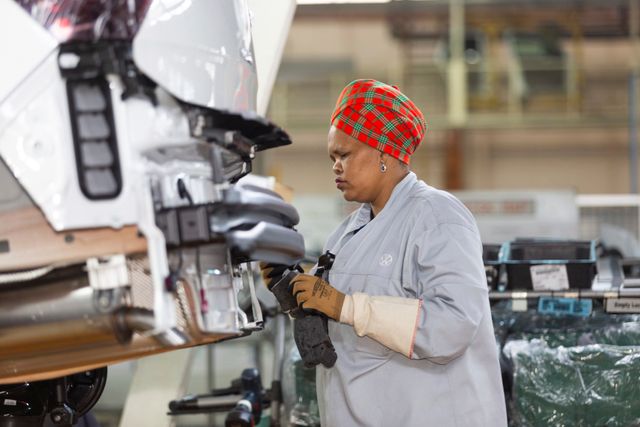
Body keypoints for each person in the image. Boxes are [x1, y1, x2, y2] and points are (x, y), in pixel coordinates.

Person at [267, 79, 507, 427]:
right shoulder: (345, 235)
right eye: (332, 157)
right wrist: (291, 291)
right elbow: (336, 328)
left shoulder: (437, 215)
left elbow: (453, 324)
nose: (335, 166)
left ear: (384, 153)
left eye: (344, 155)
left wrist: (347, 306)